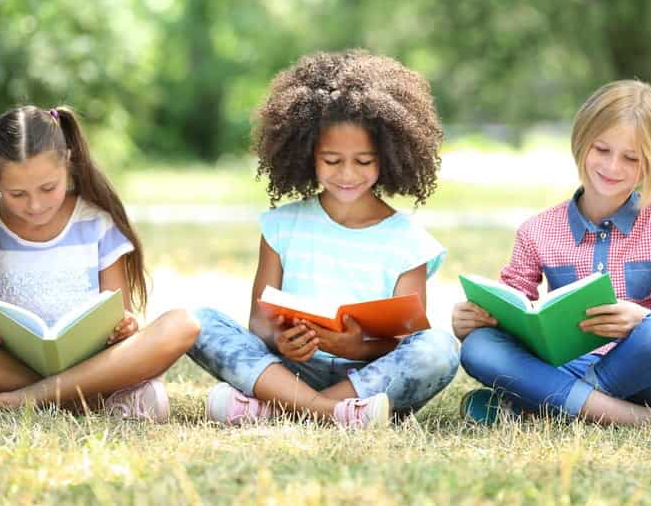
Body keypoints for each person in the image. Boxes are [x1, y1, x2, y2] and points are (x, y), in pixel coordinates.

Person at [452, 80, 651, 432]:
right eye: (602, 150)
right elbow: (513, 306)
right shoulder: (537, 230)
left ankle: (534, 407)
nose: (612, 167)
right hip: (568, 365)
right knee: (479, 347)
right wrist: (474, 321)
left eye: (631, 158)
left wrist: (642, 319)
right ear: (582, 143)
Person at [187, 50, 459, 428]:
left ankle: (279, 409)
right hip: (290, 368)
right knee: (198, 322)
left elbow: (403, 341)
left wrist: (348, 346)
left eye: (364, 161)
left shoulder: (410, 241)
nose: (347, 174)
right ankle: (333, 414)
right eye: (332, 161)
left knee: (438, 348)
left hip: (368, 377)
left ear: (391, 157)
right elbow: (260, 322)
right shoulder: (281, 226)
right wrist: (281, 342)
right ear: (307, 155)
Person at [0, 106, 200, 421]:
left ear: (69, 163)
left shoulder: (96, 222)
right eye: (17, 194)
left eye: (48, 188)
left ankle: (7, 401)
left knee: (183, 324)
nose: (35, 205)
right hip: (13, 363)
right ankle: (91, 398)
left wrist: (125, 326)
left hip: (95, 360)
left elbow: (121, 314)